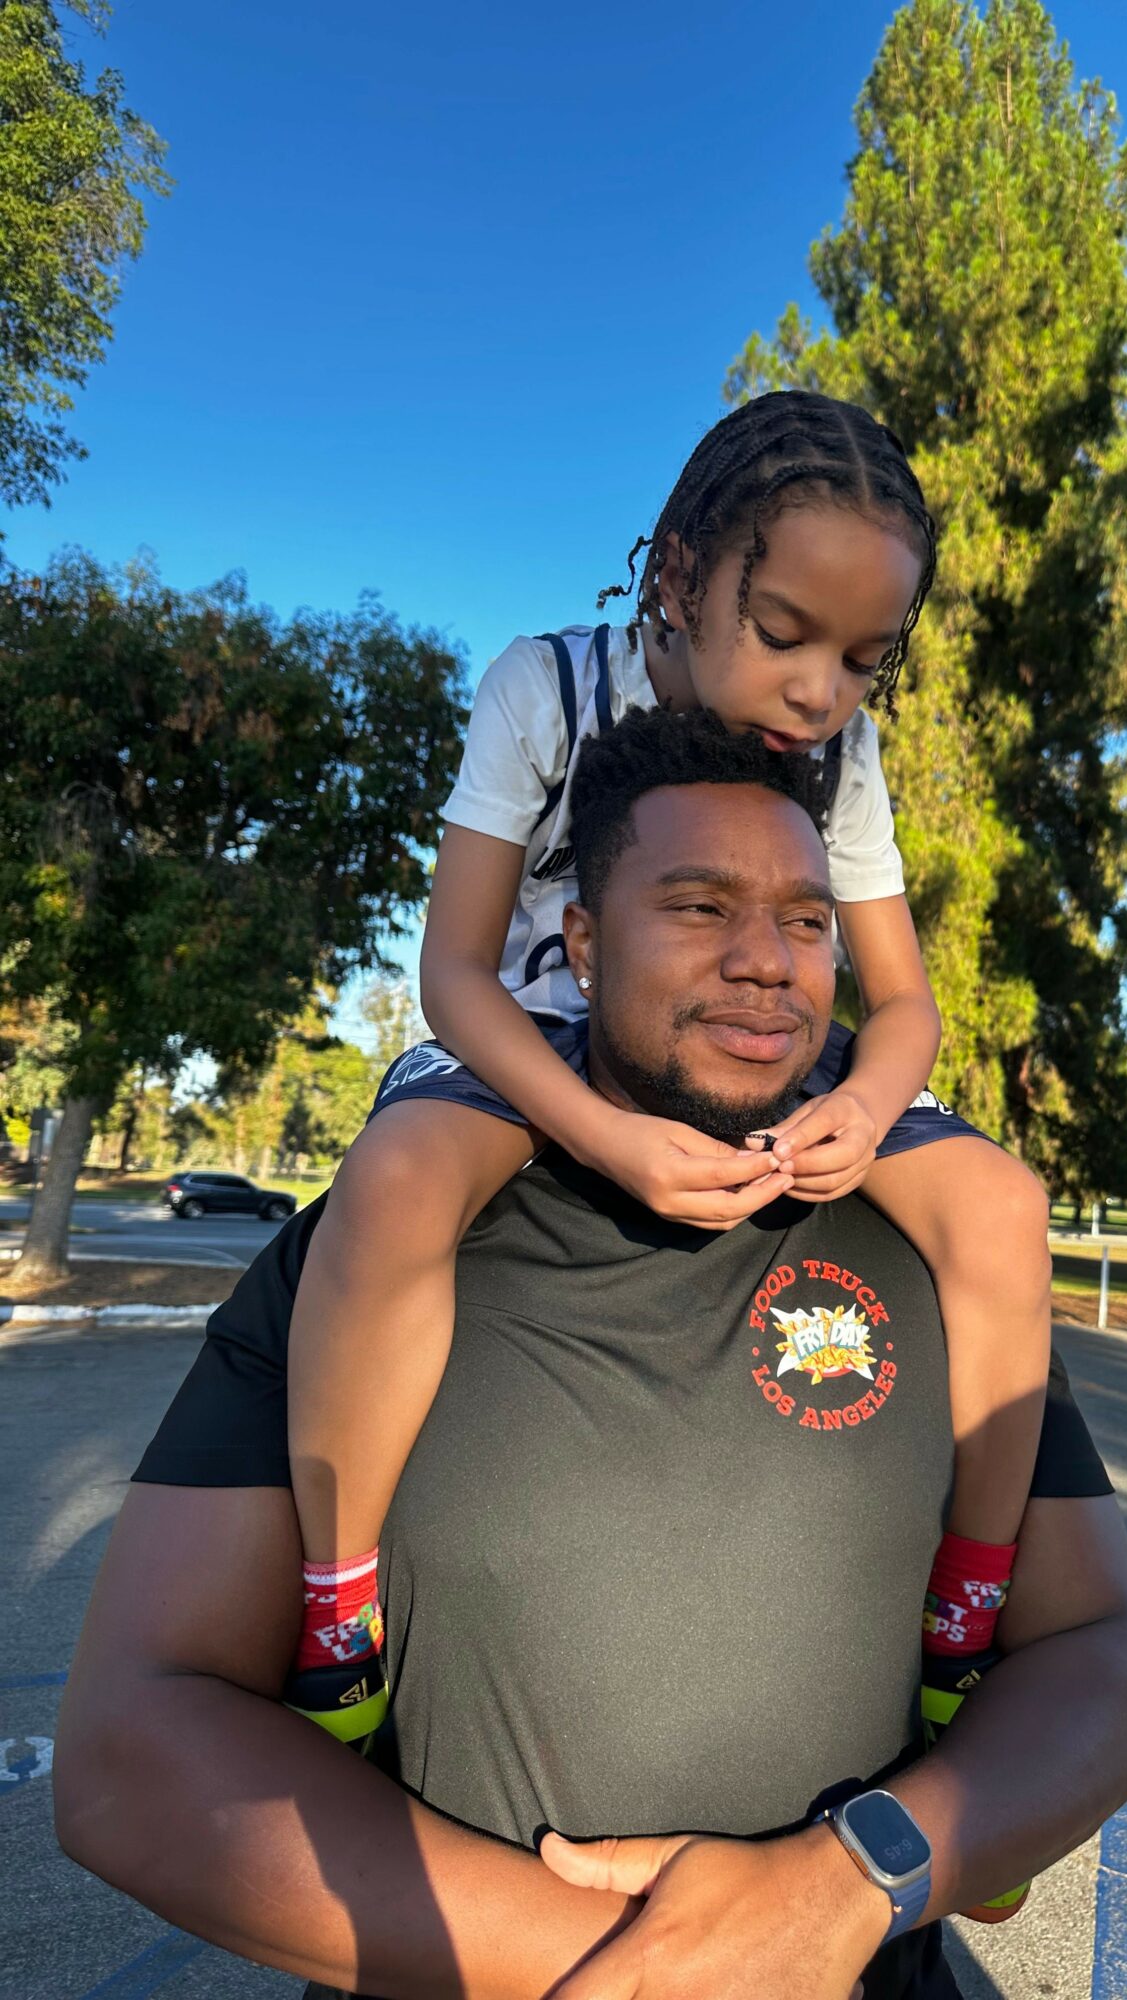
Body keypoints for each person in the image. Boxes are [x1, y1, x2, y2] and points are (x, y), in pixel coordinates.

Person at [55, 707, 1127, 2000]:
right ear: (581, 945)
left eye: (808, 921)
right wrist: (672, 1974)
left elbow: (1104, 1665)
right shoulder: (376, 1257)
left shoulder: (938, 1253)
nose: (767, 961)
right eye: (699, 907)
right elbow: (131, 1761)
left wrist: (855, 1883)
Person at [284, 395, 1055, 1849]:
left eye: (862, 660)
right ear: (682, 573)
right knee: (397, 1180)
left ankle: (965, 1613)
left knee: (1005, 1210)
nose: (819, 692)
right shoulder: (544, 688)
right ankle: (337, 1606)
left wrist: (863, 1107)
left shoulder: (845, 762)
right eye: (785, 633)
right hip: (537, 1033)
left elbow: (903, 1006)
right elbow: (454, 974)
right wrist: (600, 1132)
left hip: (772, 1049)